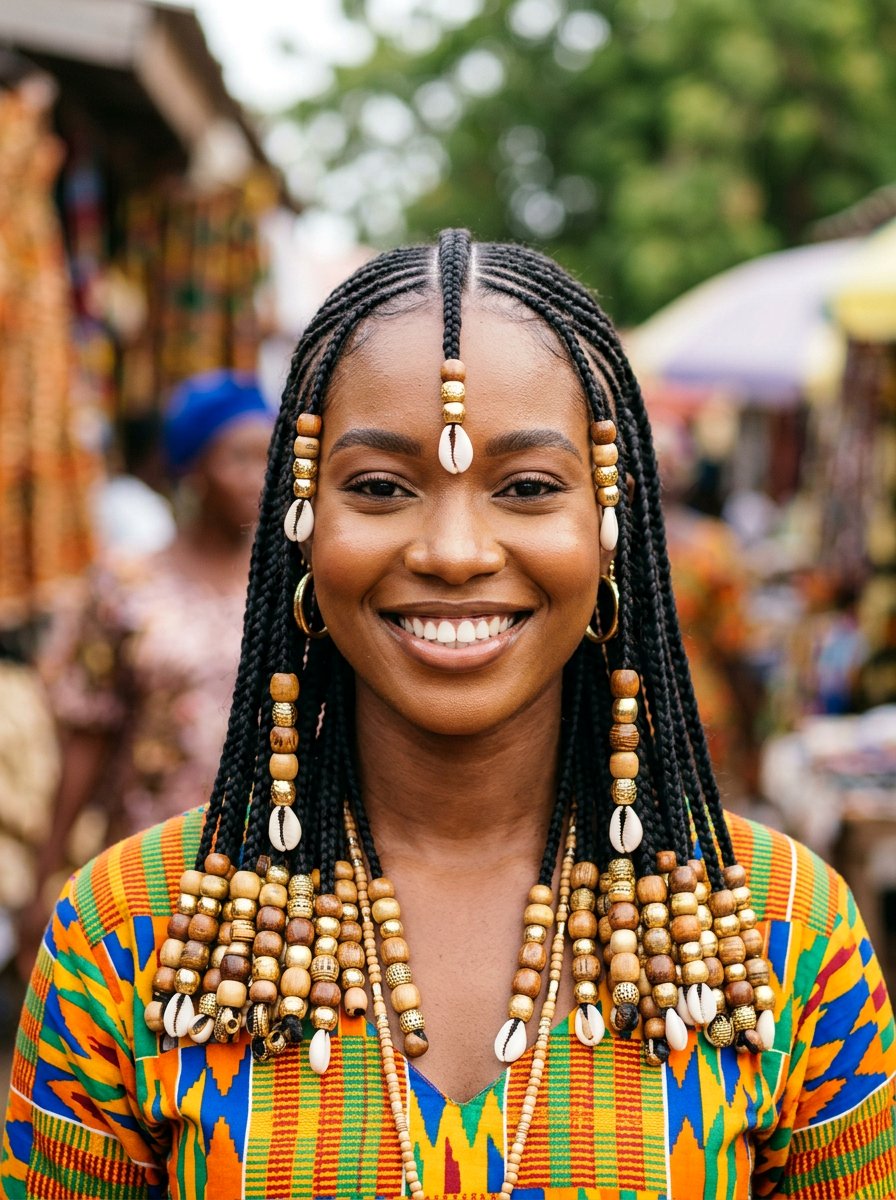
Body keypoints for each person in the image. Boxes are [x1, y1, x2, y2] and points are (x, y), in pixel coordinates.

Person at [3, 233, 893, 1199]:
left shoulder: (783, 935)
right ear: (302, 519)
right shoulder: (131, 938)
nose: (457, 550)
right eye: (381, 488)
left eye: (528, 488)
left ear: (610, 525)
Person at [16, 371, 273, 973]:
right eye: (236, 456)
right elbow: (89, 733)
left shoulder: (299, 587)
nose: (258, 476)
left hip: (269, 876)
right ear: (191, 468)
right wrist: (46, 873)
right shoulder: (128, 589)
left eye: (270, 456)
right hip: (149, 868)